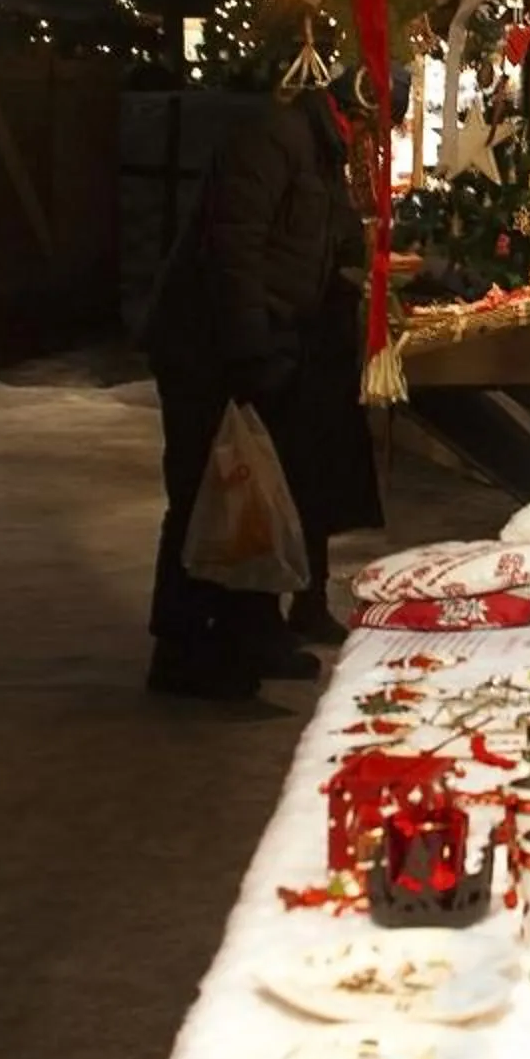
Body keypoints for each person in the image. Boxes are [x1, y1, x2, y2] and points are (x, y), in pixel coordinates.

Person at [140, 79, 384, 700]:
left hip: (261, 339)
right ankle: (186, 654)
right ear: (352, 114)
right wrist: (251, 351)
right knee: (206, 493)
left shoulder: (319, 152)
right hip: (207, 345)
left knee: (260, 493)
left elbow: (314, 246)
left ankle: (253, 634)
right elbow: (234, 250)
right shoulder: (274, 140)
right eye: (376, 131)